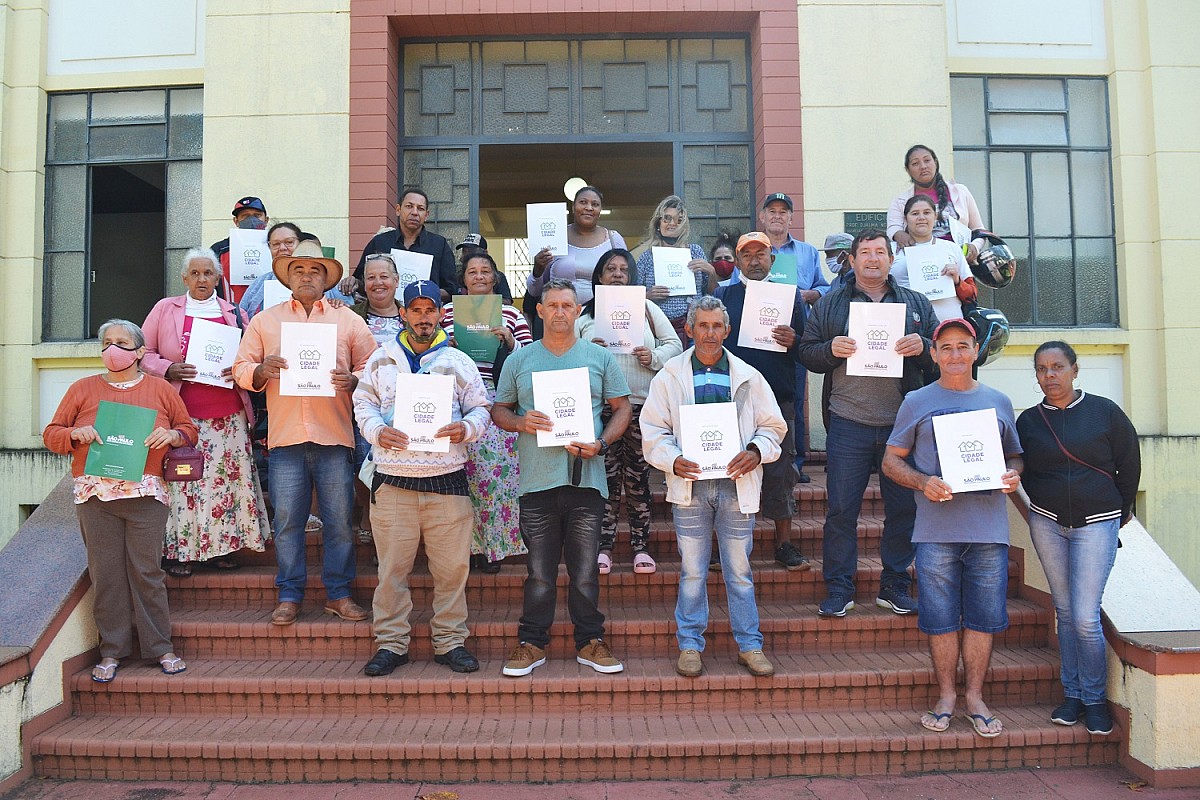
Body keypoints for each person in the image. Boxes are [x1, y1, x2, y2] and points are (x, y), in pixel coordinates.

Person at [882, 318, 1023, 738]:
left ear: (976, 350)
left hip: (988, 529)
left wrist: (1012, 475)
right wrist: (923, 482)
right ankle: (946, 696)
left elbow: (1015, 457)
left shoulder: (999, 401)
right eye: (947, 348)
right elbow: (891, 461)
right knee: (940, 618)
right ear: (934, 353)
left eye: (963, 346)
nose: (956, 355)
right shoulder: (916, 401)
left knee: (983, 618)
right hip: (935, 529)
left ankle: (975, 697)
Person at [43, 319, 198, 682]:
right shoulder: (82, 389)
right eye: (107, 342)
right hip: (95, 496)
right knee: (106, 574)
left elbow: (189, 430)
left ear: (141, 351)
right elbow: (52, 434)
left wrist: (171, 434)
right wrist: (73, 433)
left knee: (147, 572)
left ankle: (160, 647)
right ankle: (111, 651)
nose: (113, 349)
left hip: (145, 494)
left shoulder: (161, 390)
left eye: (122, 343)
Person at [233, 240, 378, 626]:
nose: (307, 276)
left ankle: (340, 594)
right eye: (299, 270)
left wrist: (355, 379)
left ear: (327, 278)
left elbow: (374, 365)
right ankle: (290, 594)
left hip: (334, 437)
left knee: (339, 522)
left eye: (315, 270)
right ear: (288, 277)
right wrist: (260, 372)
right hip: (285, 438)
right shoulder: (266, 320)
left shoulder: (348, 320)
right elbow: (240, 367)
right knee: (288, 524)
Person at [641, 296, 787, 678]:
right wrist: (672, 460)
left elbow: (773, 427)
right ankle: (690, 645)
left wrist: (756, 451)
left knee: (739, 569)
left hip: (736, 486)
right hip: (690, 486)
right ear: (688, 330)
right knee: (692, 570)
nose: (709, 333)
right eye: (701, 326)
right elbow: (653, 429)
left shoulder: (748, 376)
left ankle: (750, 646)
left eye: (716, 326)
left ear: (727, 330)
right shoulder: (669, 376)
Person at [492, 279, 632, 677]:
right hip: (537, 480)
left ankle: (590, 640)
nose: (558, 312)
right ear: (539, 310)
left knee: (585, 570)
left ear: (577, 311)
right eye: (551, 305)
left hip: (586, 479)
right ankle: (531, 643)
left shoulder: (598, 357)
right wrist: (521, 421)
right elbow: (498, 410)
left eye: (566, 305)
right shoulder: (520, 360)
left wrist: (602, 444)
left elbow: (622, 409)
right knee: (539, 571)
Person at [353, 280, 493, 676]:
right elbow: (361, 403)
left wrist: (464, 428)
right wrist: (378, 431)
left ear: (439, 314)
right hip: (394, 482)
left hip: (446, 482)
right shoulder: (381, 359)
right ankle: (391, 644)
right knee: (392, 572)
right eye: (415, 310)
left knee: (451, 572)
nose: (423, 317)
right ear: (404, 314)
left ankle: (450, 641)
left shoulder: (458, 361)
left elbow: (482, 408)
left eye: (429, 310)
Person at [797, 229, 937, 618]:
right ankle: (840, 587)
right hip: (848, 421)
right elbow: (806, 351)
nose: (873, 259)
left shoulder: (916, 303)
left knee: (902, 508)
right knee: (842, 510)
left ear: (892, 259)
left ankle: (894, 584)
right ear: (853, 260)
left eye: (880, 252)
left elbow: (941, 352)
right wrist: (830, 350)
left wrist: (923, 347)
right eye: (865, 252)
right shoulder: (831, 302)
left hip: (902, 427)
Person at [1017, 341, 1141, 736]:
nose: (1049, 375)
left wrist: (1118, 511)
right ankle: (1072, 696)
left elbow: (1129, 463)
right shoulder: (1029, 421)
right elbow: (1027, 469)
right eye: (1041, 369)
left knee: (1086, 617)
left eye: (1057, 367)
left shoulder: (1105, 412)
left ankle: (1095, 700)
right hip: (1048, 522)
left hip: (1097, 522)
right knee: (1066, 612)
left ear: (1074, 369)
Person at [140, 248, 271, 577]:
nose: (202, 279)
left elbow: (250, 356)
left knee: (225, 484)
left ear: (218, 278)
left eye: (208, 273)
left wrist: (238, 368)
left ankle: (221, 550)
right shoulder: (164, 309)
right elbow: (143, 353)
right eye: (195, 274)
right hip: (183, 417)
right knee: (184, 484)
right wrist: (168, 368)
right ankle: (182, 553)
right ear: (184, 278)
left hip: (228, 415)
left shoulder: (233, 313)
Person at [577, 248, 682, 575]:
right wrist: (586, 351)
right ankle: (603, 547)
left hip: (641, 406)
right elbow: (565, 355)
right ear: (599, 276)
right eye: (611, 269)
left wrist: (654, 356)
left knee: (638, 481)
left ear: (632, 277)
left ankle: (640, 546)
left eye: (624, 269)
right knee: (603, 482)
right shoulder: (585, 315)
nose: (618, 274)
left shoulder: (648, 308)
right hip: (601, 409)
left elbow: (675, 345)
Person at [715, 232, 809, 571]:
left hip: (778, 396)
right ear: (738, 260)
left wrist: (795, 339)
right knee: (728, 470)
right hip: (733, 398)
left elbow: (809, 348)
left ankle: (783, 543)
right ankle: (725, 544)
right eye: (747, 254)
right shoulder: (722, 296)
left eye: (761, 254)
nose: (755, 260)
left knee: (781, 472)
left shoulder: (790, 296)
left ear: (772, 258)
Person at [440, 251, 532, 572]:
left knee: (496, 476)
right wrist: (445, 345)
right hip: (457, 400)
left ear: (494, 278)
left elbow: (529, 357)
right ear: (463, 279)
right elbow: (429, 353)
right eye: (472, 272)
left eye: (485, 271)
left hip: (498, 400)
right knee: (463, 477)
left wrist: (510, 342)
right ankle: (471, 549)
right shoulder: (446, 312)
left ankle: (495, 547)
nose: (479, 276)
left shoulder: (511, 313)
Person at [760, 192, 830, 480]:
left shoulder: (807, 252)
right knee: (757, 399)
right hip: (758, 335)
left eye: (783, 211)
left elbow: (825, 289)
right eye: (772, 211)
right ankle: (760, 461)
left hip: (796, 336)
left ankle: (795, 464)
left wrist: (808, 294)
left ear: (791, 217)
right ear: (762, 216)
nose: (777, 216)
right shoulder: (754, 247)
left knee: (795, 400)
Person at [348, 252, 407, 540]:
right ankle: (370, 519)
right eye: (371, 277)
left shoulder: (412, 314)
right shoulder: (350, 315)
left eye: (384, 276)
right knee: (365, 463)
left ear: (396, 281)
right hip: (364, 404)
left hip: (404, 407)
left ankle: (388, 531)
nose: (378, 282)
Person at [345, 188, 457, 301]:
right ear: (398, 210)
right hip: (383, 313)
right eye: (409, 206)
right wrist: (352, 282)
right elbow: (361, 280)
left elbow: (451, 290)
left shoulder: (439, 245)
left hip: (424, 313)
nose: (414, 212)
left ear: (426, 215)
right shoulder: (380, 242)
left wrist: (426, 292)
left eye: (420, 208)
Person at [633, 196, 718, 343]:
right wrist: (648, 295)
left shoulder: (695, 251)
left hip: (692, 328)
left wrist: (711, 272)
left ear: (684, 226)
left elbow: (711, 293)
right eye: (667, 218)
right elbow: (632, 298)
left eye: (679, 220)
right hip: (658, 330)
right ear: (658, 224)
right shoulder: (647, 257)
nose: (673, 223)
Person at [526, 186, 627, 307]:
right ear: (573, 207)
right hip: (559, 315)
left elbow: (626, 281)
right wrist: (538, 270)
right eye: (583, 202)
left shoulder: (613, 240)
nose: (589, 208)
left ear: (600, 211)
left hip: (600, 316)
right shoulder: (554, 237)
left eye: (595, 204)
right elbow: (535, 291)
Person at [890, 195, 977, 324]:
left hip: (949, 326)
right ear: (906, 219)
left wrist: (958, 281)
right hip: (907, 326)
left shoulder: (951, 248)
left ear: (935, 216)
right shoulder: (891, 251)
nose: (921, 218)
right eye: (915, 213)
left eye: (927, 212)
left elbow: (972, 295)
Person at [887, 145, 984, 249]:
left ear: (936, 162)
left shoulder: (960, 192)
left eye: (927, 160)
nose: (923, 166)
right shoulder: (900, 202)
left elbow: (978, 230)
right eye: (915, 163)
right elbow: (893, 228)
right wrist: (899, 234)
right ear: (908, 170)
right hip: (921, 258)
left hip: (960, 257)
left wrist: (974, 247)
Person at [209, 196, 270, 304]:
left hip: (267, 315)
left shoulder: (276, 247)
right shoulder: (218, 250)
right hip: (231, 315)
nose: (251, 220)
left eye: (257, 215)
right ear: (236, 221)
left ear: (266, 220)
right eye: (245, 216)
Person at [239, 222, 303, 319]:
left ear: (300, 244)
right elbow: (242, 317)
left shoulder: (320, 281)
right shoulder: (259, 284)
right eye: (276, 244)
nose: (282, 248)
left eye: (289, 242)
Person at [455, 233, 513, 304]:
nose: (466, 255)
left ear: (485, 252)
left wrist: (485, 296)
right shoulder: (457, 276)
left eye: (471, 251)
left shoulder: (498, 276)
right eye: (464, 252)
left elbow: (507, 302)